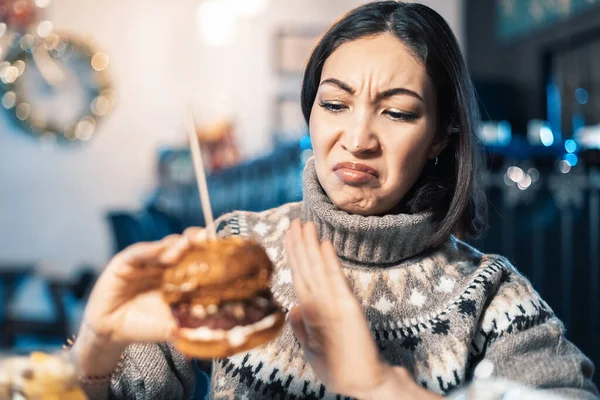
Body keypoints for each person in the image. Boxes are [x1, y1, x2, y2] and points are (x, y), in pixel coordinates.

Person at [71, 2, 599, 399]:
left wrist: (377, 383)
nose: (357, 138)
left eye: (396, 112)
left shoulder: (490, 298)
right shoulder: (236, 247)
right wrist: (98, 344)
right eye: (334, 103)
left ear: (440, 135)